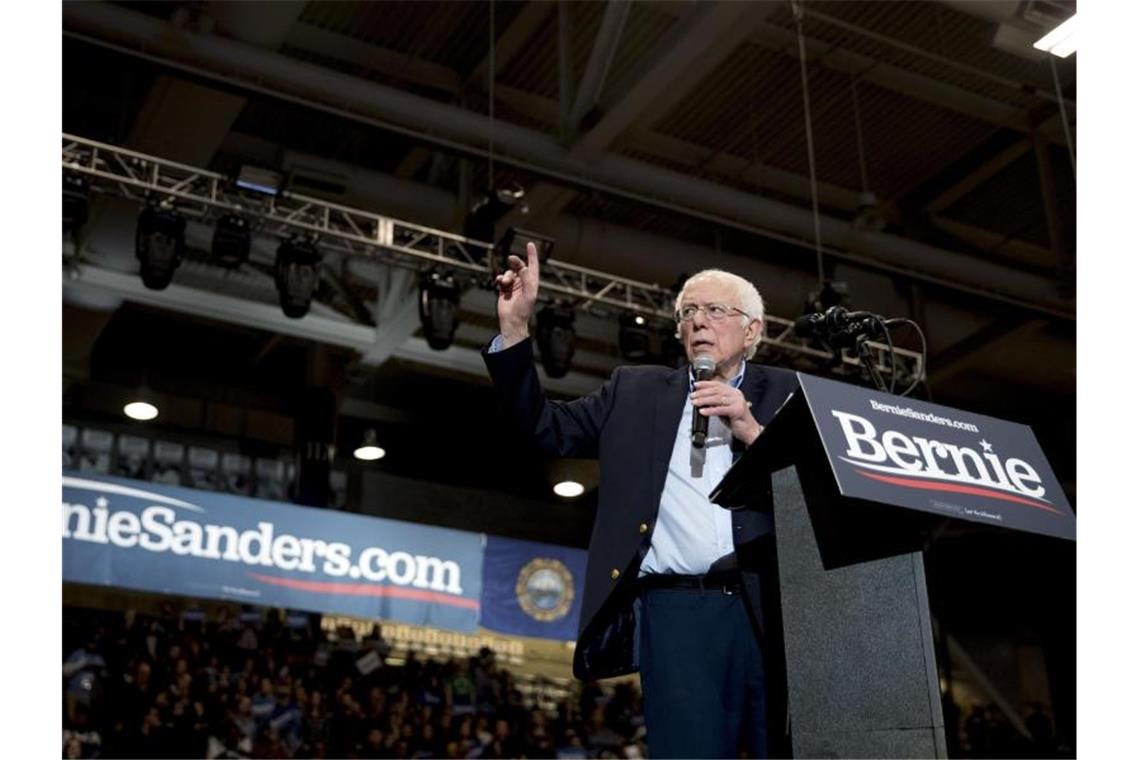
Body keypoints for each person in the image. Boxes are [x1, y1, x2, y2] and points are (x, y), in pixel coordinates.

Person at [483, 242, 799, 758]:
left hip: (766, 606)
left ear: (752, 331)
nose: (698, 322)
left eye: (715, 310)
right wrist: (516, 331)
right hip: (675, 613)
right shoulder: (634, 390)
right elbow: (543, 428)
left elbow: (816, 488)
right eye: (688, 312)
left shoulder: (789, 392)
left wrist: (750, 428)